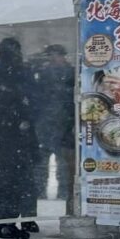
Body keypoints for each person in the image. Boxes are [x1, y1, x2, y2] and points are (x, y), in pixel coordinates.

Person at [0, 37, 40, 239]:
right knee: (17, 178)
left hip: (2, 135)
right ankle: (9, 222)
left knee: (5, 178)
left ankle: (3, 221)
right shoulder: (19, 73)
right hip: (17, 133)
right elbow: (35, 101)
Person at [32, 44, 75, 204]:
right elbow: (36, 97)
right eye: (50, 55)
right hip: (45, 123)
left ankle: (63, 191)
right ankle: (40, 190)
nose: (53, 59)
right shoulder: (42, 73)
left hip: (64, 123)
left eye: (56, 55)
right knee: (42, 161)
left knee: (63, 161)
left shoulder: (70, 73)